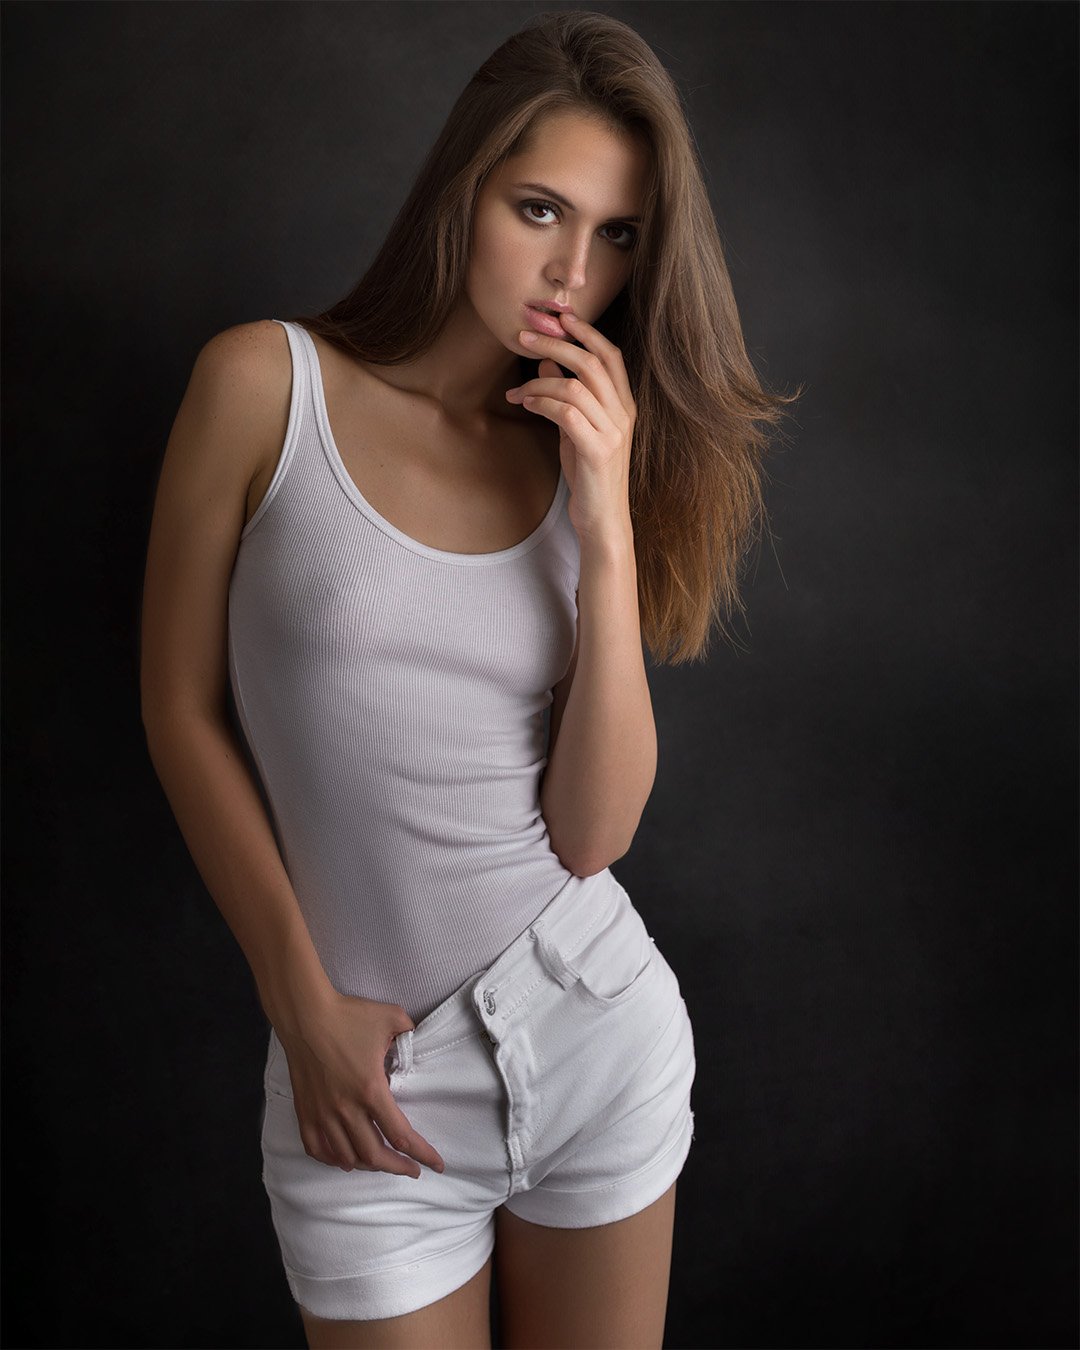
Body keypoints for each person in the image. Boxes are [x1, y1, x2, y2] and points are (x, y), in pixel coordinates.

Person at [140, 10, 799, 1347]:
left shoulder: (578, 456)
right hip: (365, 1080)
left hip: (593, 1027)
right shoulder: (265, 386)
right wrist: (297, 1002)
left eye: (617, 235)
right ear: (464, 188)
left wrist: (606, 525)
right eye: (540, 208)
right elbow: (180, 705)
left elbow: (594, 834)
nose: (573, 270)